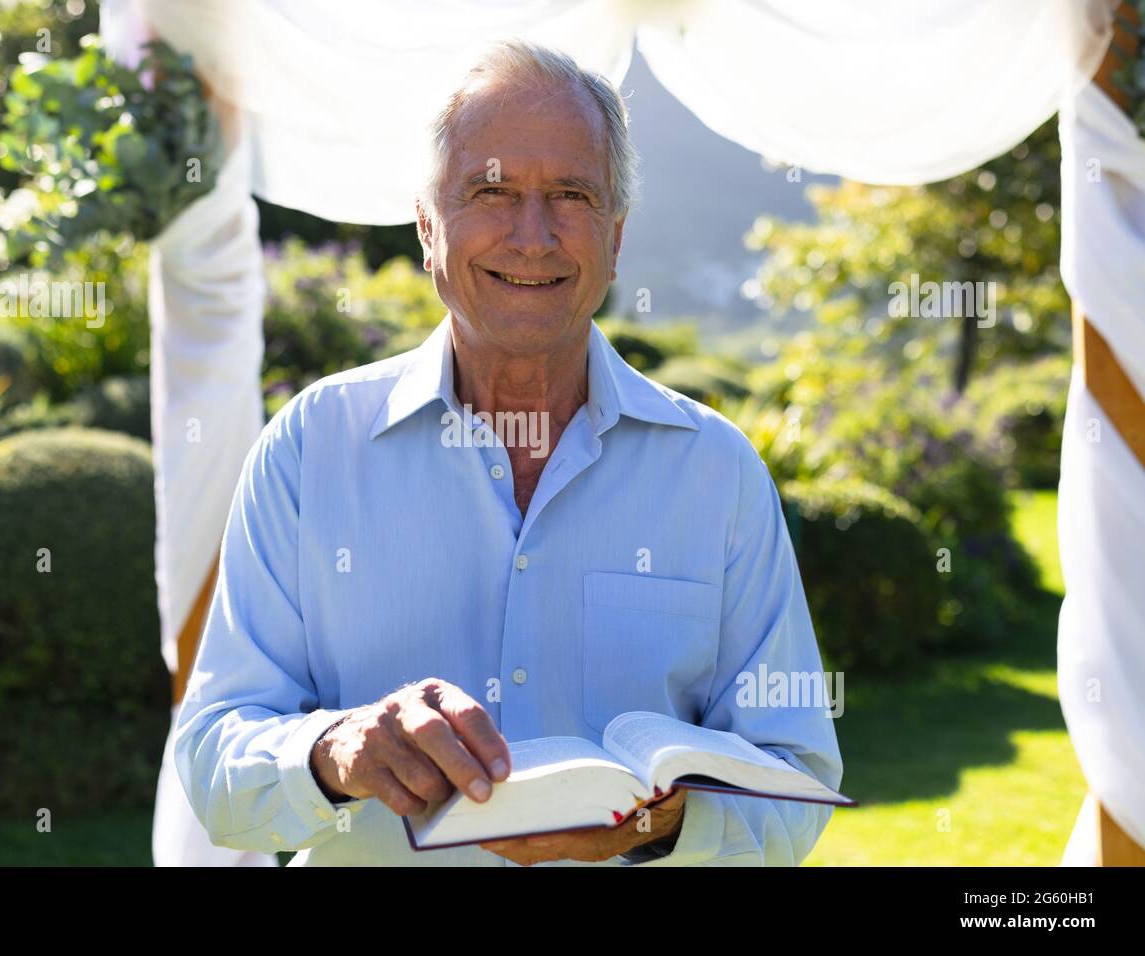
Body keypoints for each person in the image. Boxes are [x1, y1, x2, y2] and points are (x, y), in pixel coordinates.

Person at [174, 38, 842, 866]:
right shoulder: (309, 450)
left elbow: (797, 773)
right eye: (492, 191)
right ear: (427, 226)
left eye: (572, 195)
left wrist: (654, 824)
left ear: (616, 234)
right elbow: (212, 763)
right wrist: (335, 750)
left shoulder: (717, 471)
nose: (534, 236)